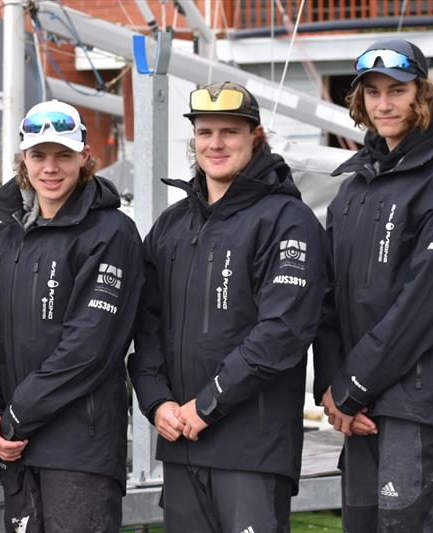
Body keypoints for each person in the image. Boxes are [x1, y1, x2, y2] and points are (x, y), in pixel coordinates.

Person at [313, 38, 433, 532]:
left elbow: (428, 303)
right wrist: (332, 391)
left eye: (397, 90)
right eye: (372, 92)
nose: (384, 104)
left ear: (424, 94)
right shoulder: (352, 190)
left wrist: (352, 385)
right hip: (357, 408)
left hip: (417, 404)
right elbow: (327, 300)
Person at [128, 81, 328, 533]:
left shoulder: (287, 220)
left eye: (230, 132)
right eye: (205, 132)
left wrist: (207, 405)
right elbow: (146, 326)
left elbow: (282, 333)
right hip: (181, 444)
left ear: (255, 137)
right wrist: (156, 401)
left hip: (251, 450)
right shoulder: (171, 225)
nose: (215, 144)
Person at [0, 100, 143, 533]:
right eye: (39, 155)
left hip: (78, 448)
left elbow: (89, 348)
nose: (51, 167)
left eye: (63, 155)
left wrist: (13, 418)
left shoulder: (111, 233)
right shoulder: (4, 237)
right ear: (23, 162)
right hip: (16, 443)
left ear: (85, 157)